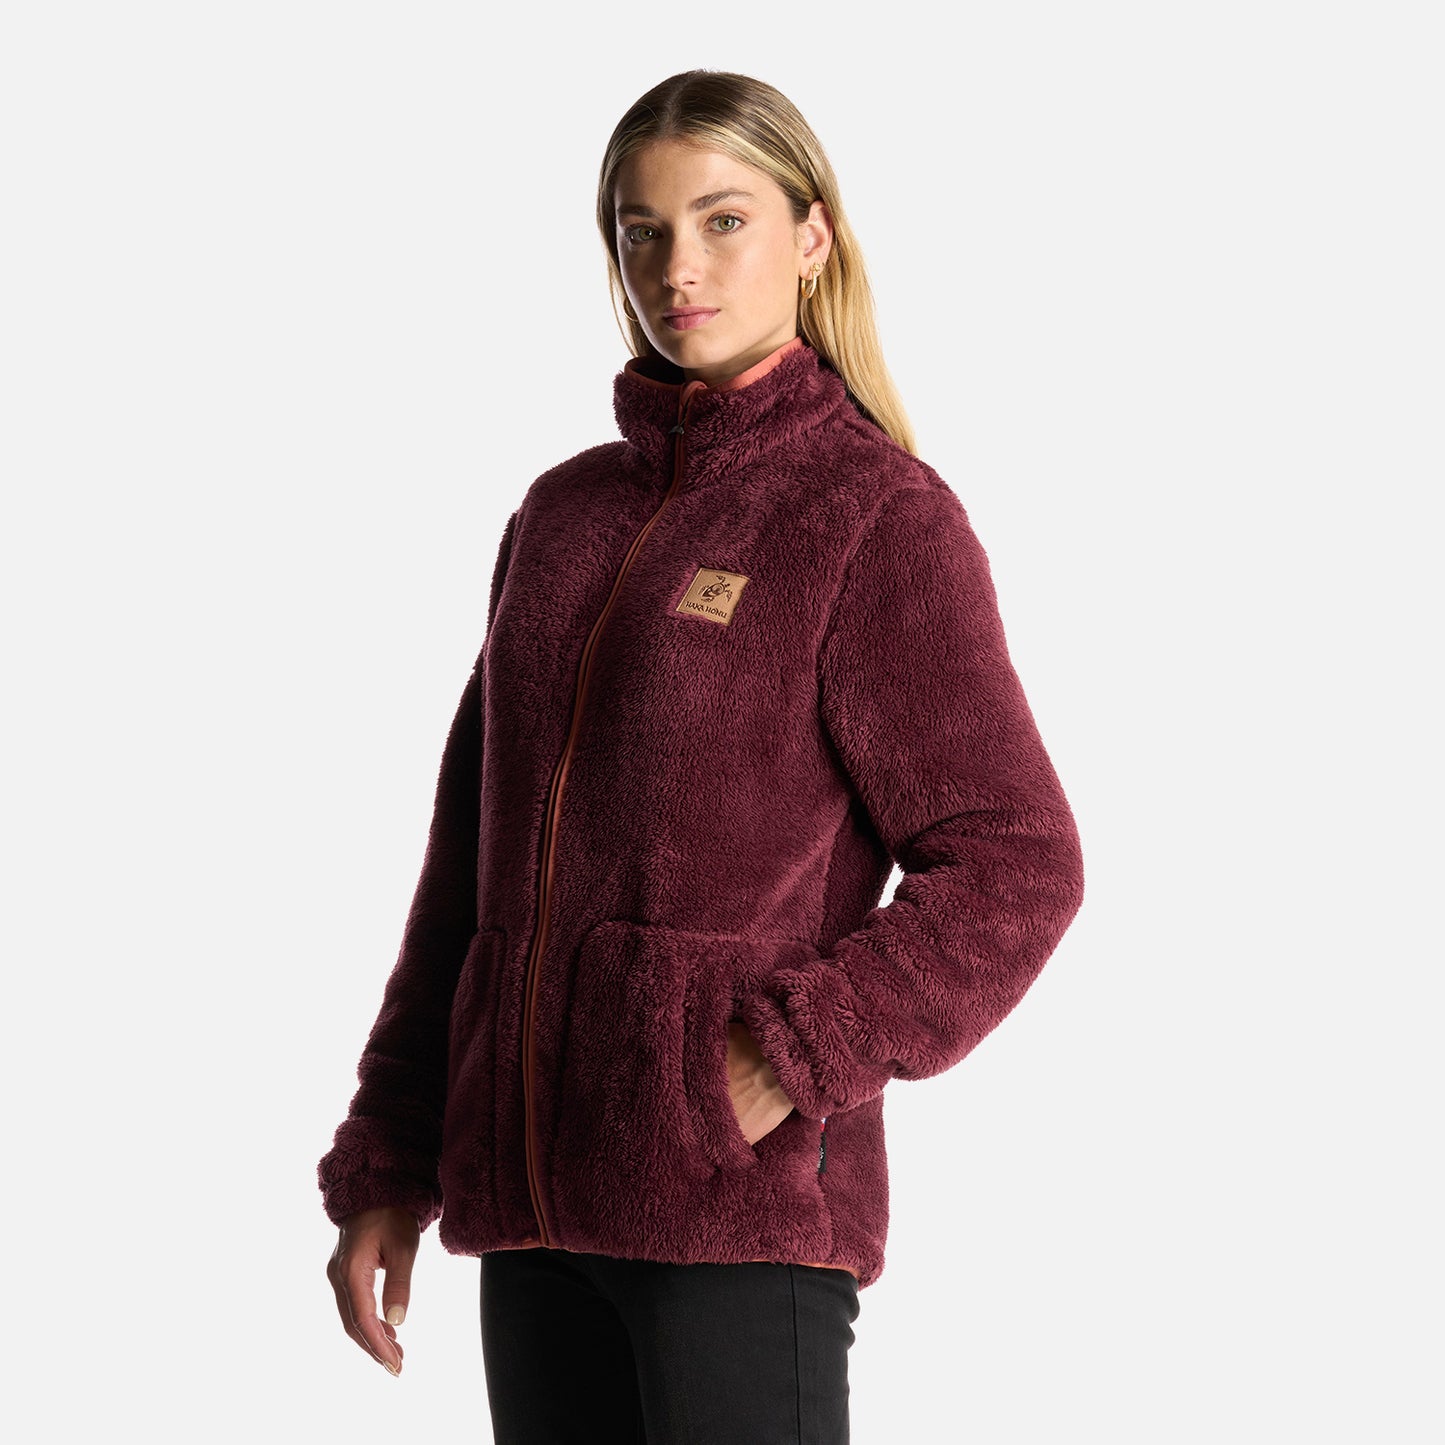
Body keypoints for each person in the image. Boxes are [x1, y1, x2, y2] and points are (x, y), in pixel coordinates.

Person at [319, 68, 1085, 1443]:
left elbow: (1016, 862)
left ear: (811, 236)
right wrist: (390, 1156)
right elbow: (464, 879)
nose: (679, 268)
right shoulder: (561, 518)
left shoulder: (873, 517)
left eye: (724, 221)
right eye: (643, 230)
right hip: (531, 1218)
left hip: (736, 1215)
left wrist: (793, 1053)